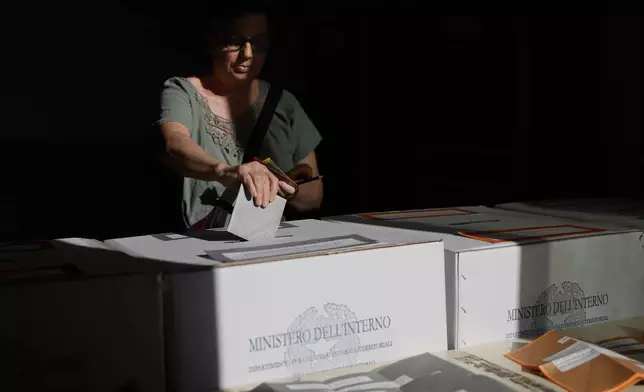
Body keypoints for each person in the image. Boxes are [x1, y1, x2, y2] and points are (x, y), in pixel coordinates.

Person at [155, 1, 323, 230]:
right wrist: (224, 171)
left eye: (259, 44)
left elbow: (314, 195)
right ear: (212, 42)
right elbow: (175, 143)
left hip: (269, 242)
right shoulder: (183, 91)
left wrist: (291, 191)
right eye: (235, 42)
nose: (248, 54)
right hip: (200, 244)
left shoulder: (284, 104)